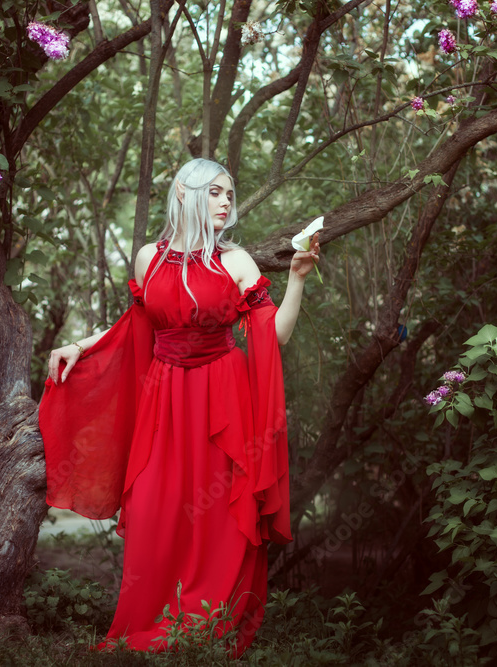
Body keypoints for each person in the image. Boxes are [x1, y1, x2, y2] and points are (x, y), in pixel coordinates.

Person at [37, 158, 320, 657]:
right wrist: (80, 345)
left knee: (219, 513)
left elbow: (272, 335)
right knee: (153, 505)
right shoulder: (151, 257)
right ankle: (149, 619)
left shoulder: (236, 262)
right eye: (215, 192)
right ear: (186, 194)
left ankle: (205, 625)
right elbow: (136, 329)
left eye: (229, 194)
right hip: (165, 398)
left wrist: (296, 278)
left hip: (222, 396)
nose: (226, 201)